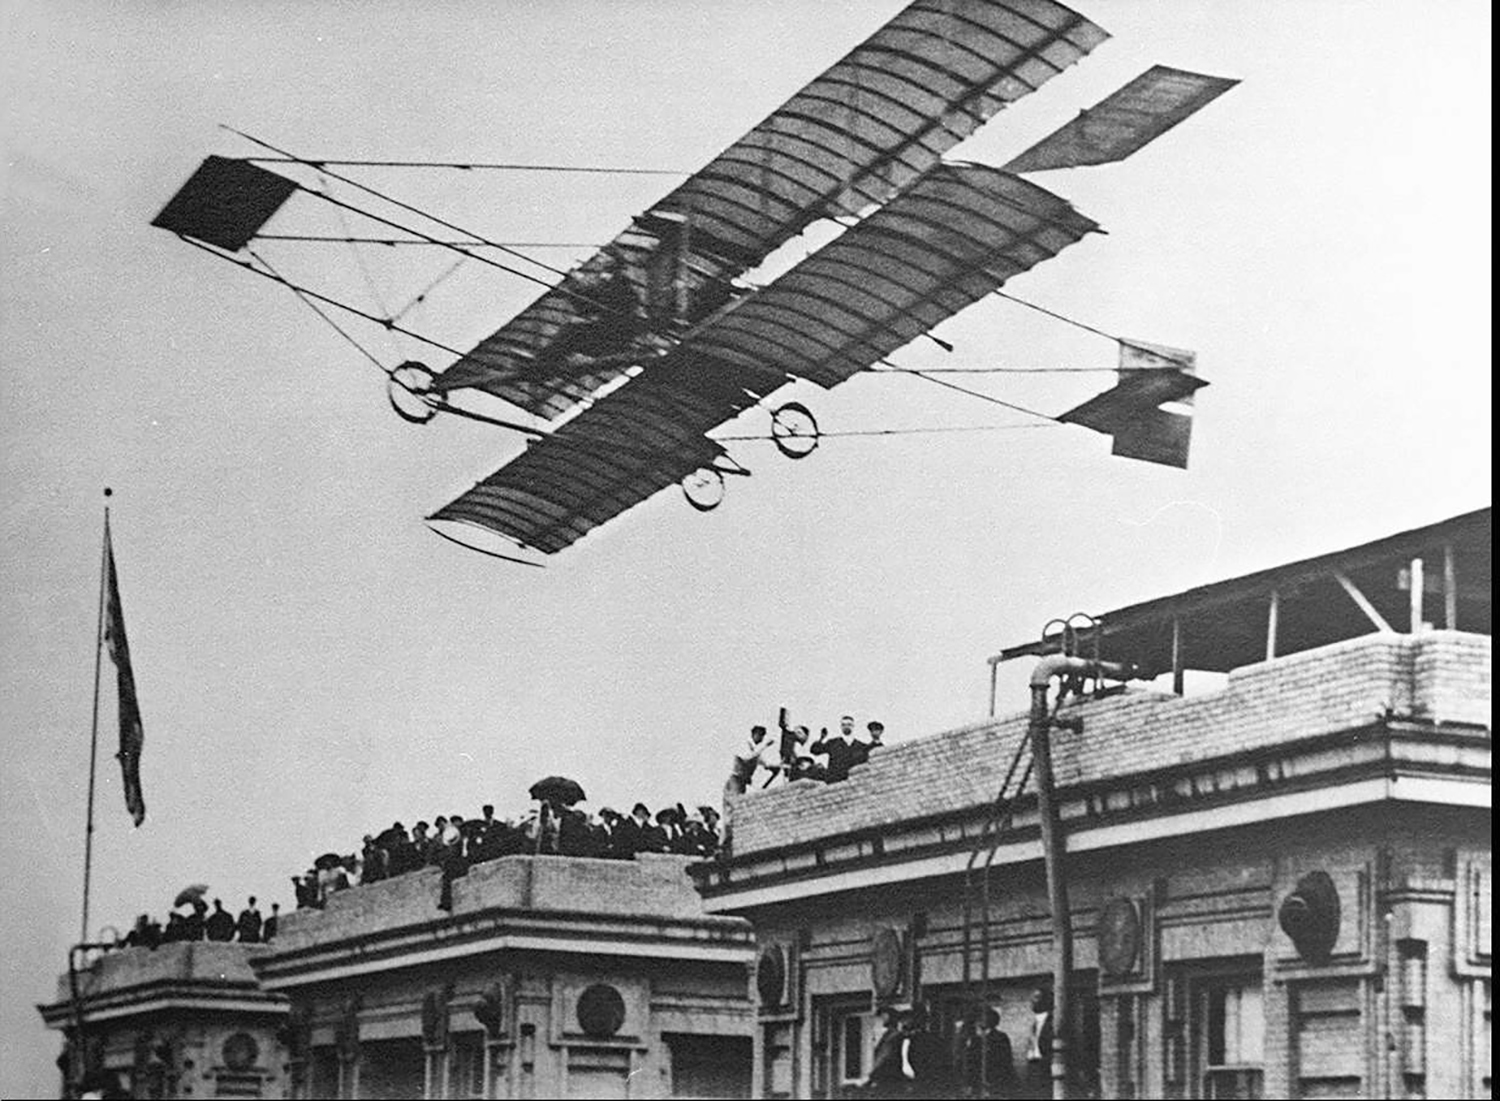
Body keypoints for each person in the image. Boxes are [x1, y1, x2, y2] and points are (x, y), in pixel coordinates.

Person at [961, 1005, 1017, 1099]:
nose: (977, 1023)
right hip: (977, 1084)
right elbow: (970, 1062)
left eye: (980, 1019)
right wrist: (969, 1083)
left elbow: (1005, 1062)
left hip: (995, 1083)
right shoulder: (975, 1039)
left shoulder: (1000, 1038)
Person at [725, 725, 779, 798]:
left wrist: (777, 766)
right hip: (736, 781)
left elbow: (765, 764)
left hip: (743, 782)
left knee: (741, 802)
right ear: (754, 734)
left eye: (762, 736)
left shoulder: (755, 751)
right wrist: (765, 746)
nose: (761, 738)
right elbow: (747, 758)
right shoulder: (745, 744)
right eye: (759, 735)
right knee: (736, 801)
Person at [811, 717, 864, 782]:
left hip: (853, 780)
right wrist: (821, 738)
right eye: (843, 725)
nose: (846, 727)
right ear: (841, 727)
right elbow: (815, 750)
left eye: (849, 724)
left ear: (853, 726)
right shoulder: (833, 743)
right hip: (835, 780)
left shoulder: (860, 746)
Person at [1024, 988, 1054, 1099]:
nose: (1032, 1001)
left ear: (1046, 1000)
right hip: (1034, 1069)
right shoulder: (1034, 1023)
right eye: (1032, 997)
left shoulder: (1054, 1021)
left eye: (1036, 997)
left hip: (1046, 1069)